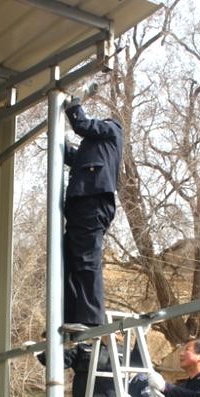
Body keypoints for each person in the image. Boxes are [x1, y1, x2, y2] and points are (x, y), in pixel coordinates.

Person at [61, 96, 124, 329]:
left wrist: (73, 106)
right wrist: (56, 140)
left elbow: (83, 125)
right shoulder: (93, 149)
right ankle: (71, 317)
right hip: (81, 205)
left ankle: (90, 318)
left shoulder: (112, 129)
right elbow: (73, 157)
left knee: (86, 261)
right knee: (70, 263)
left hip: (92, 202)